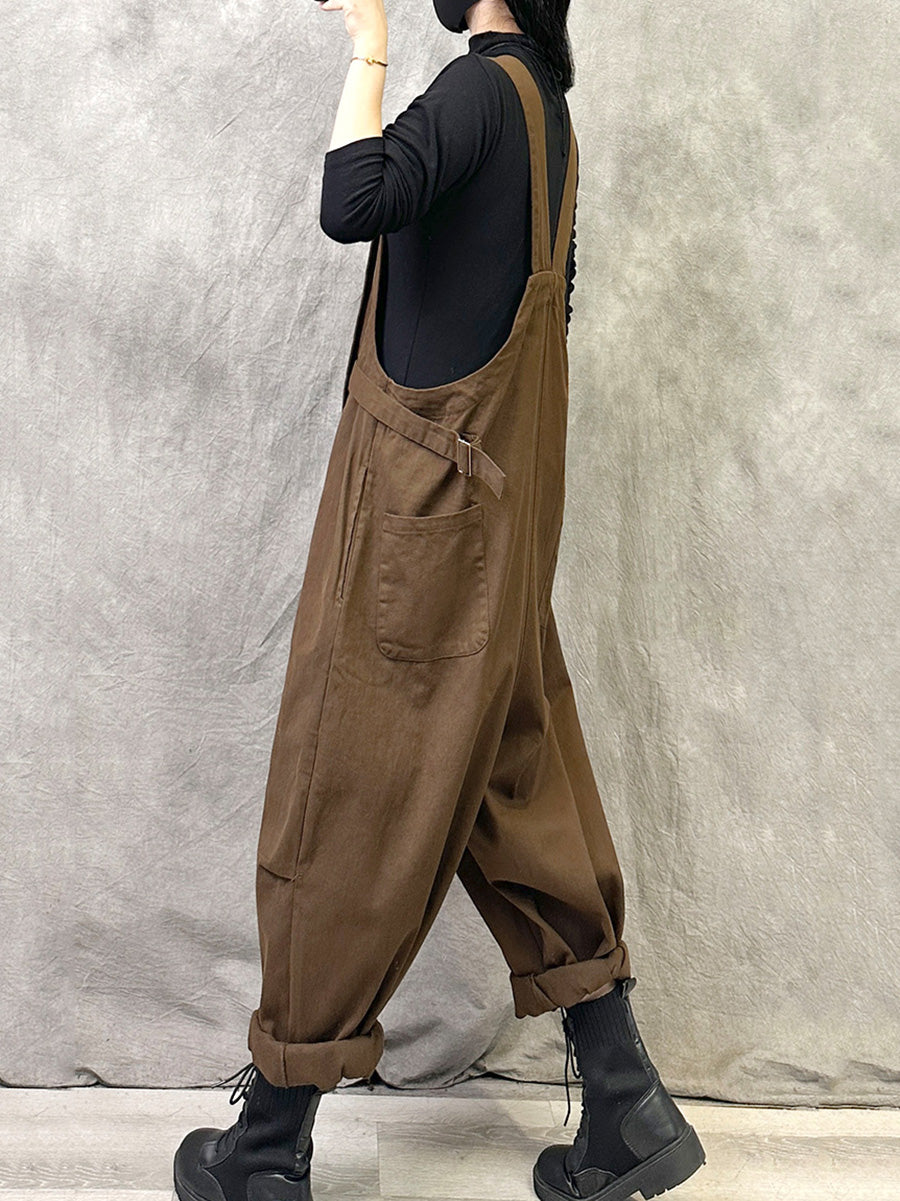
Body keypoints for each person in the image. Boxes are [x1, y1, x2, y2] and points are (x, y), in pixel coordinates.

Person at [173, 1, 707, 1199]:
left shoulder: (477, 91)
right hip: (497, 530)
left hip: (418, 523)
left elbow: (351, 199)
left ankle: (268, 1145)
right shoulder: (544, 109)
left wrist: (367, 42)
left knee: (345, 786)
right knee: (516, 786)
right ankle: (626, 1103)